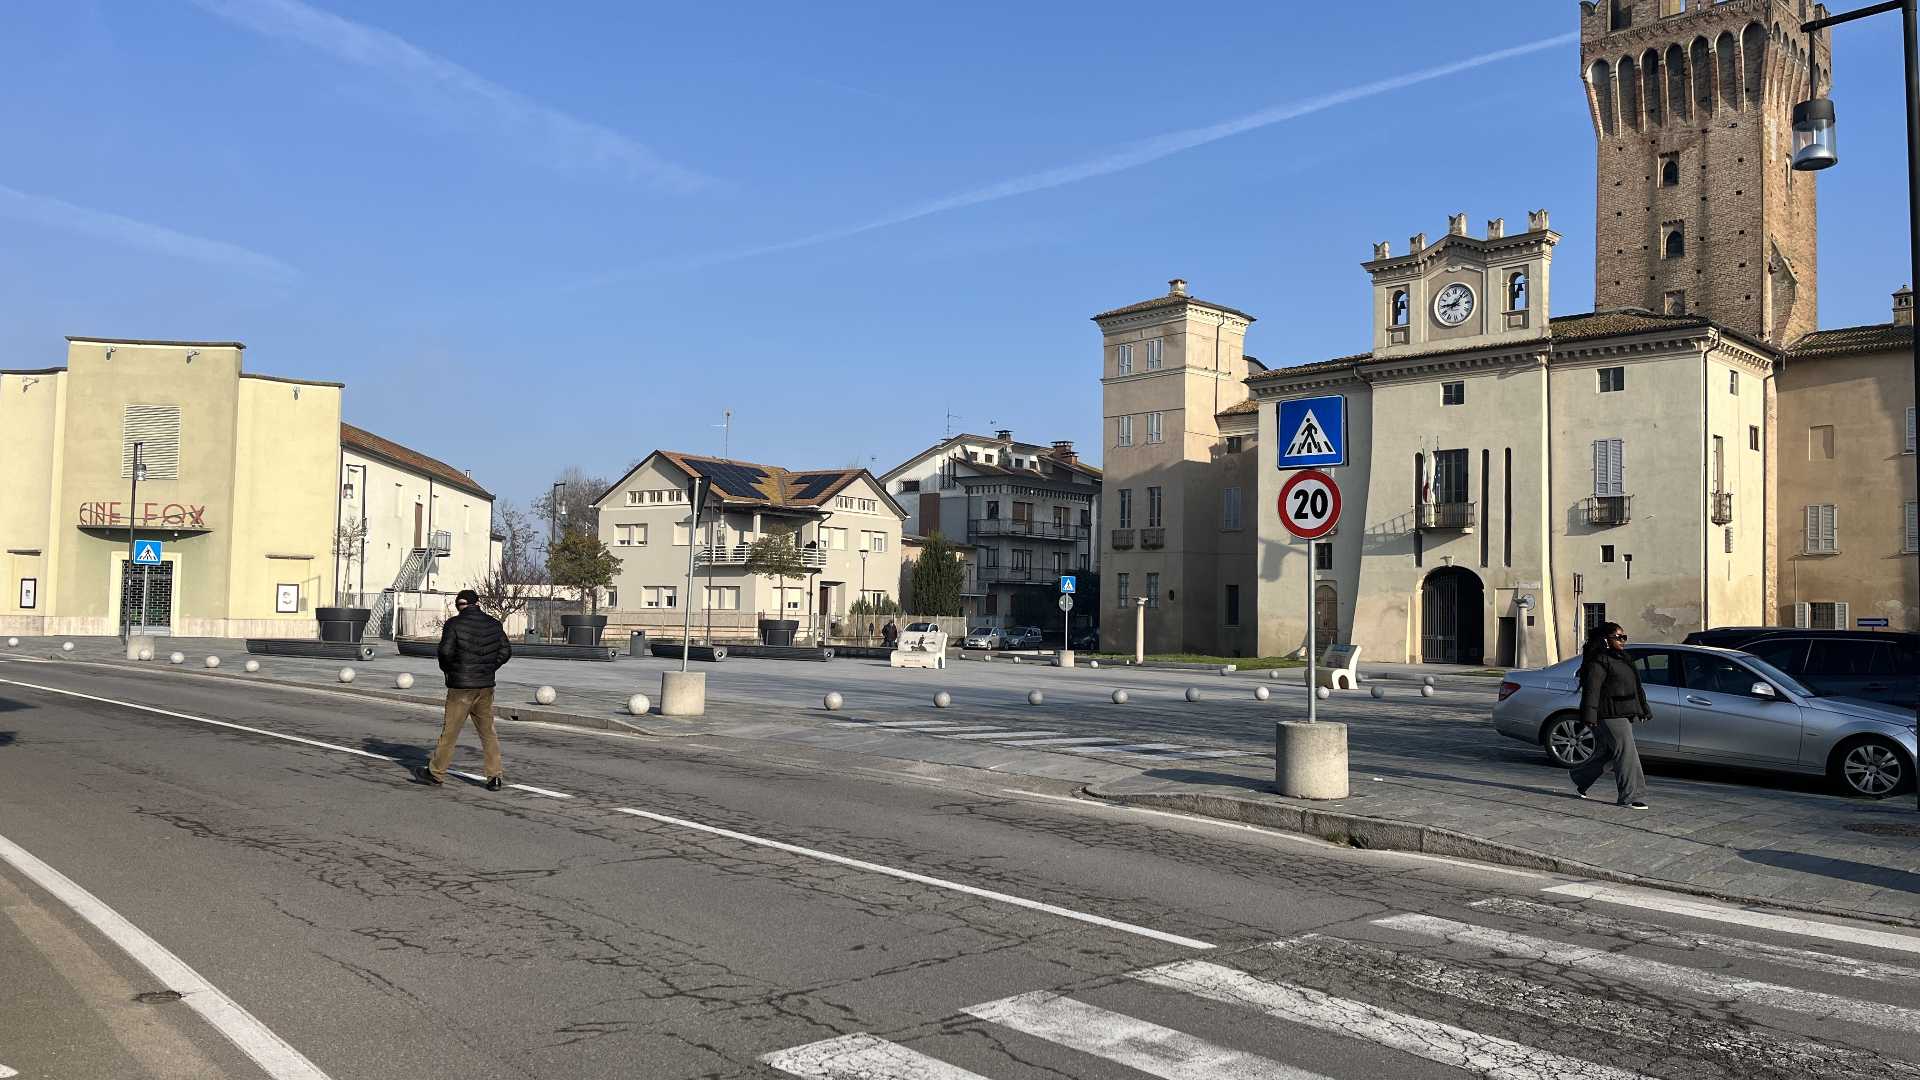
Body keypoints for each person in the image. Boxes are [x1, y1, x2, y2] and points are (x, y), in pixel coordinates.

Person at [414, 589, 512, 791]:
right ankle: (495, 777)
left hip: (461, 687)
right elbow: (506, 651)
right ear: (478, 603)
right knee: (488, 732)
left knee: (450, 732)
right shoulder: (494, 624)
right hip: (485, 686)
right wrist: (488, 668)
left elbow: (445, 652)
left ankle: (435, 773)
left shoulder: (454, 624)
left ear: (460, 604)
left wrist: (450, 671)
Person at [1570, 621, 1649, 810]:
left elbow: (1636, 687)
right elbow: (1592, 690)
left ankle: (1579, 778)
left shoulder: (1623, 658)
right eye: (1618, 637)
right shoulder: (1598, 661)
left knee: (1610, 753)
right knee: (1627, 753)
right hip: (1608, 714)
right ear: (1605, 640)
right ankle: (1631, 796)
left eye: (1624, 637)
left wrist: (1644, 709)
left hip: (1624, 711)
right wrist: (1589, 716)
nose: (1623, 641)